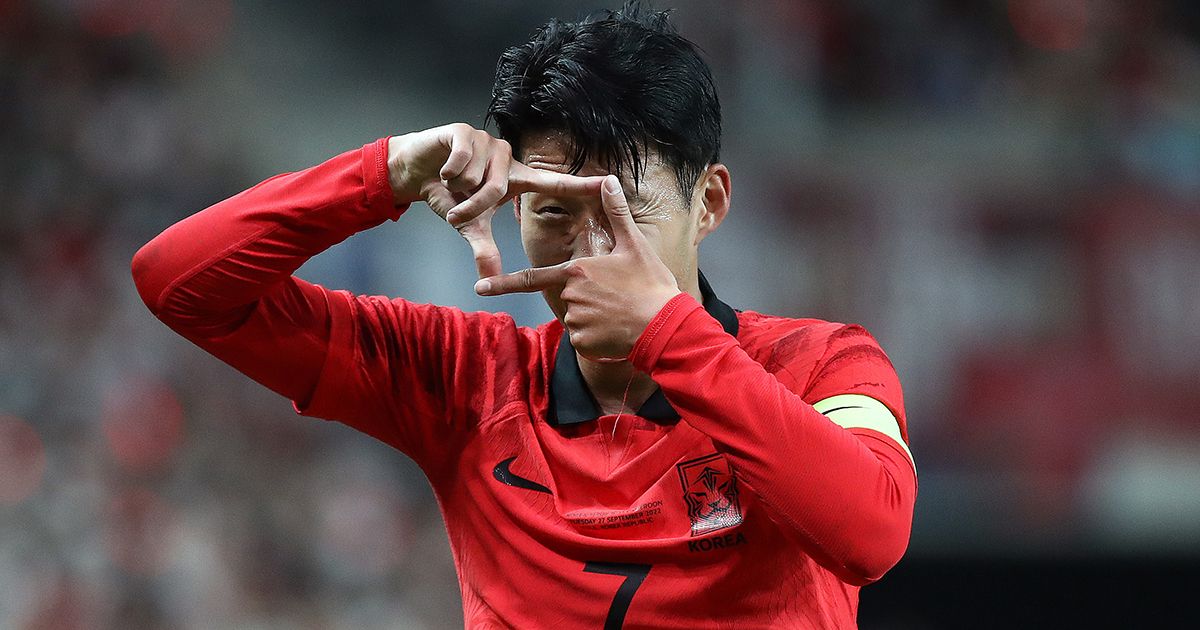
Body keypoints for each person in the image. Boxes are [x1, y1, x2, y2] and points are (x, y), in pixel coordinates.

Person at [132, 3, 916, 628]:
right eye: (550, 208)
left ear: (706, 203)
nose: (588, 245)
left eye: (623, 205)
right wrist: (384, 172)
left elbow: (872, 536)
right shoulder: (464, 379)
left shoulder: (821, 364)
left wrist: (670, 335)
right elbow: (179, 281)